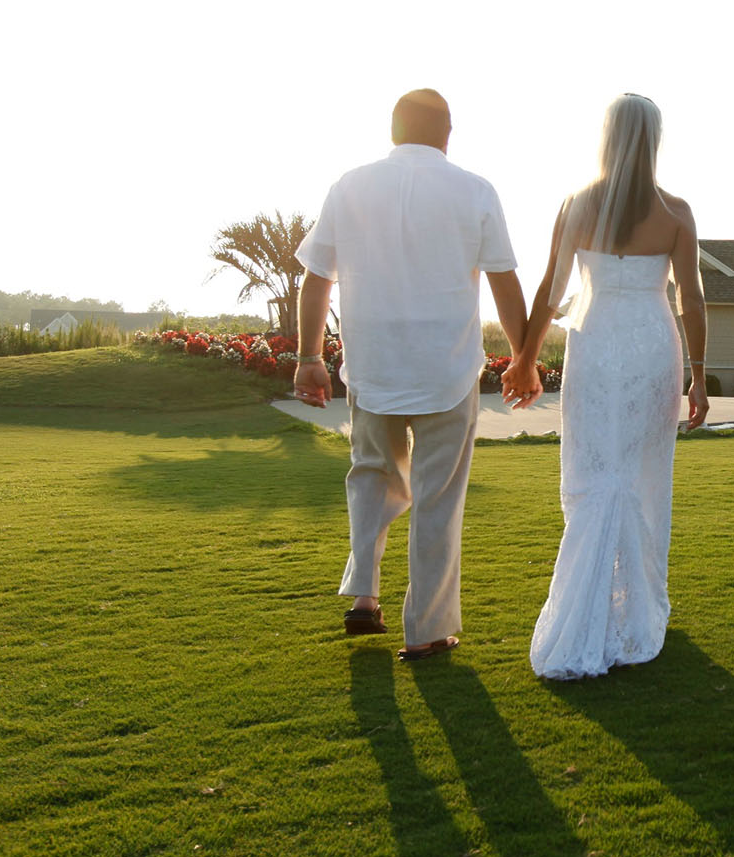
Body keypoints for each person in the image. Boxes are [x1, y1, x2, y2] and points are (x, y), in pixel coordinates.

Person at [292, 89, 526, 662]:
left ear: (394, 130)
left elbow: (317, 278)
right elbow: (503, 282)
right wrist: (522, 357)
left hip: (373, 365)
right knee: (437, 499)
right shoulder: (475, 190)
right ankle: (423, 629)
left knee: (371, 477)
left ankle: (364, 598)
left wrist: (309, 357)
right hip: (446, 367)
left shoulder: (349, 185)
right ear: (448, 132)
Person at [505, 94, 708, 680]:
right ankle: (633, 611)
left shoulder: (576, 205)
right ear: (654, 140)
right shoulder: (676, 211)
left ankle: (596, 608)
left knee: (597, 474)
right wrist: (698, 375)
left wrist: (525, 358)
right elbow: (690, 299)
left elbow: (550, 290)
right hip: (650, 345)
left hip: (593, 343)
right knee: (640, 476)